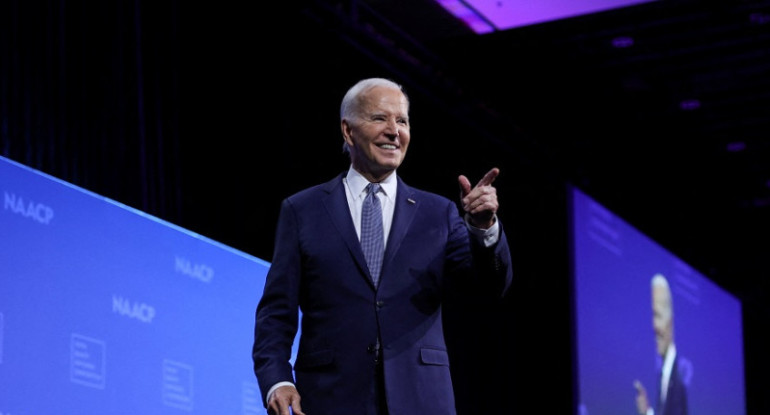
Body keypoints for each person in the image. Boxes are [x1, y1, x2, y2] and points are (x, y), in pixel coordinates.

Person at [251, 77, 513, 415]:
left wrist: (483, 228)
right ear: (348, 131)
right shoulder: (303, 210)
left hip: (421, 398)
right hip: (332, 398)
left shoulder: (439, 213)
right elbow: (276, 311)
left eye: (402, 121)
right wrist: (277, 379)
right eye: (380, 118)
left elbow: (490, 288)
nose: (394, 131)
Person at [633, 273, 688, 415]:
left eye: (658, 315)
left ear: (670, 320)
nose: (654, 326)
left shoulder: (678, 382)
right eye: (653, 316)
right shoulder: (664, 374)